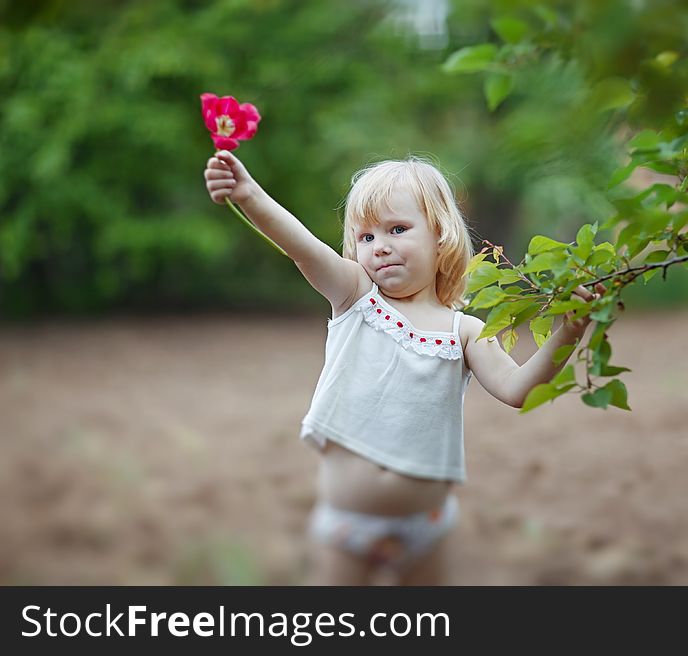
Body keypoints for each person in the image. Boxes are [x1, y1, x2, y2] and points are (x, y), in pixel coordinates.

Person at [203, 151, 606, 585]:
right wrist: (248, 194)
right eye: (366, 237)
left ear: (441, 236)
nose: (380, 246)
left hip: (426, 525)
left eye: (397, 229)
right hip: (348, 524)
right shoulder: (355, 295)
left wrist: (569, 331)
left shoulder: (464, 329)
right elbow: (302, 247)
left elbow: (517, 389)